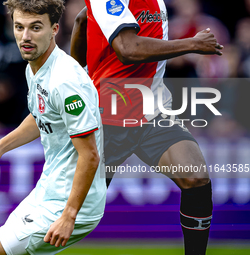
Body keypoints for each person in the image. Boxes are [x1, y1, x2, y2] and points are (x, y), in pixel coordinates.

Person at [70, 1, 223, 254]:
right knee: (74, 211)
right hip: (107, 118)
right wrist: (192, 44)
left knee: (196, 177)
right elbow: (128, 49)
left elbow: (82, 20)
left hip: (152, 113)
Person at [0, 0, 106, 255]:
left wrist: (69, 216)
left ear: (54, 29)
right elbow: (42, 116)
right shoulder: (37, 66)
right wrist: (0, 147)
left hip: (71, 204)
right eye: (19, 27)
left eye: (36, 28)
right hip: (48, 189)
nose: (25, 37)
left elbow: (90, 155)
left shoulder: (66, 81)